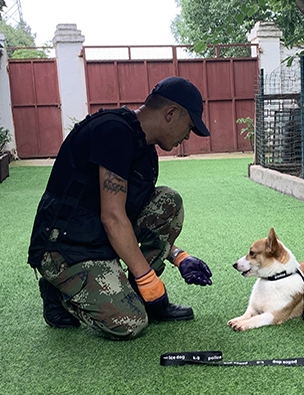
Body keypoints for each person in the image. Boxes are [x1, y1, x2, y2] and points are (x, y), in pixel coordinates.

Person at [28, 76, 212, 340]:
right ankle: (59, 290)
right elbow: (113, 217)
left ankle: (136, 295)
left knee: (167, 201)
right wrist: (149, 279)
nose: (187, 137)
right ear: (171, 113)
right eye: (189, 126)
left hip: (97, 240)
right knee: (129, 323)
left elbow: (135, 217)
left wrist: (179, 256)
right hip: (65, 250)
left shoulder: (143, 146)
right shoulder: (113, 132)